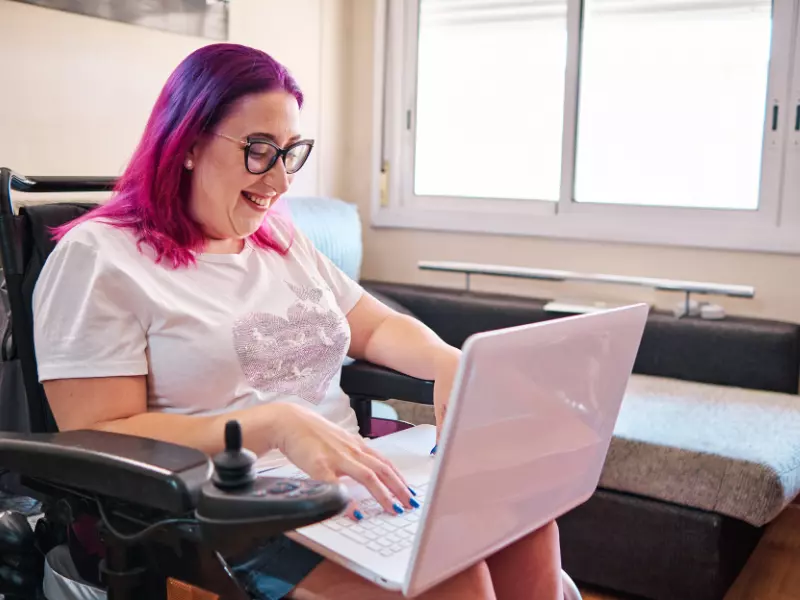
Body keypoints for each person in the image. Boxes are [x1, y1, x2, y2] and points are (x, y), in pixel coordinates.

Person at [31, 43, 564, 600]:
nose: (281, 182)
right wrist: (271, 424)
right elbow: (99, 434)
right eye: (259, 150)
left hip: (344, 484)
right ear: (187, 143)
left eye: (290, 152)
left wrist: (451, 362)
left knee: (526, 528)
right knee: (456, 581)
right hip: (219, 512)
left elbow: (376, 327)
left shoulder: (280, 240)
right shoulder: (101, 257)